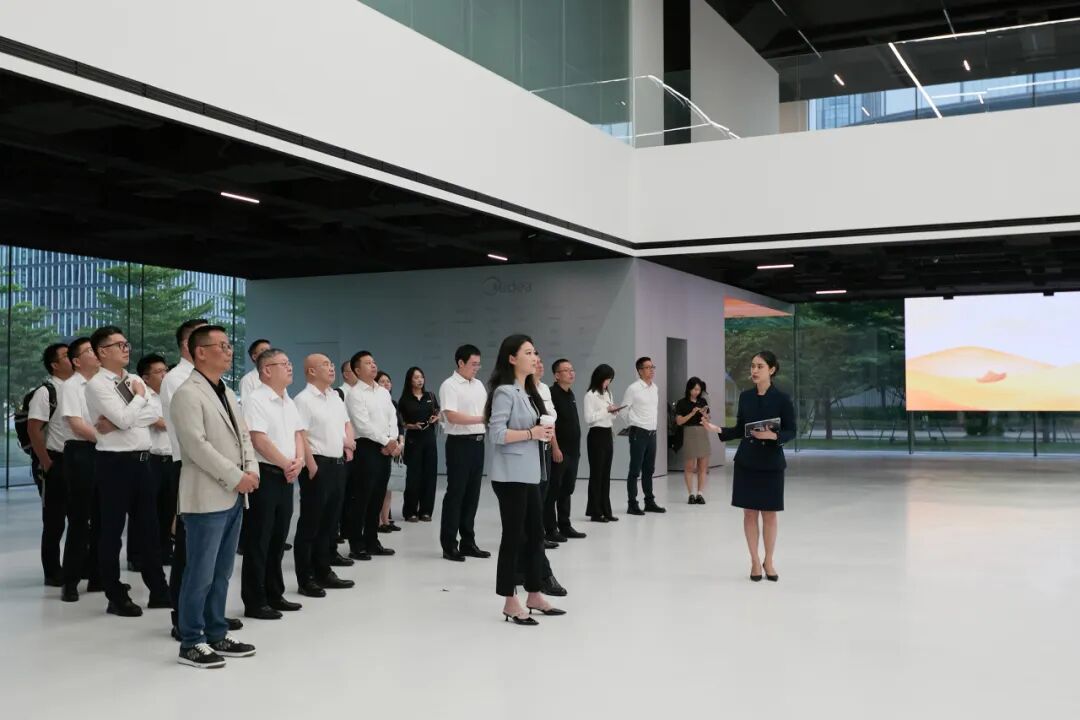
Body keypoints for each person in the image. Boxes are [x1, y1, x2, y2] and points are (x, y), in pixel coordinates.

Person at [171, 325, 258, 668]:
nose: (229, 350)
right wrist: (237, 477)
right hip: (207, 496)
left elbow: (243, 436)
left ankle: (216, 632)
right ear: (200, 352)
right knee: (200, 573)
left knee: (222, 572)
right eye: (221, 345)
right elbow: (197, 446)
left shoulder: (226, 392)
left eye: (229, 345)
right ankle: (191, 641)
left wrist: (251, 470)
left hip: (234, 495)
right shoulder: (187, 393)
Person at [84, 326, 170, 617]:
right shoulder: (97, 384)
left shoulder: (134, 380)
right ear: (102, 352)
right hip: (114, 464)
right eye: (118, 345)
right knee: (111, 531)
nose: (125, 349)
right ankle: (115, 594)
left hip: (143, 462)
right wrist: (139, 401)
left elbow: (151, 416)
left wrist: (123, 417)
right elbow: (125, 418)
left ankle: (159, 590)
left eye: (126, 344)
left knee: (150, 529)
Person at [485, 334, 564, 626]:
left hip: (530, 473)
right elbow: (497, 434)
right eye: (528, 353)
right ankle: (509, 600)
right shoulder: (504, 392)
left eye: (535, 352)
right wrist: (532, 433)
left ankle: (534, 594)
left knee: (534, 535)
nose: (534, 358)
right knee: (514, 537)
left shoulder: (527, 391)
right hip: (510, 476)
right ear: (511, 358)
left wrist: (542, 432)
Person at [704, 351, 795, 583]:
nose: (754, 370)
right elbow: (740, 429)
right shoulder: (745, 397)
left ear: (772, 369)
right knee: (749, 513)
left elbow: (791, 430)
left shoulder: (782, 399)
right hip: (747, 461)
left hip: (771, 463)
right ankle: (754, 560)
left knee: (770, 514)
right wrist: (717, 429)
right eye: (753, 366)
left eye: (760, 366)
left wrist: (773, 436)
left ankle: (769, 560)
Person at [242, 348, 305, 619]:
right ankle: (255, 601)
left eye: (290, 363)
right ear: (267, 370)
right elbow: (259, 439)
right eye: (284, 363)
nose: (290, 367)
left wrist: (299, 461)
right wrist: (286, 464)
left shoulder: (288, 400)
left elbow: (298, 434)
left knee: (279, 538)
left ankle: (274, 593)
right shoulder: (256, 399)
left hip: (286, 475)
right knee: (259, 539)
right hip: (266, 475)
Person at [292, 354, 356, 598]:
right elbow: (301, 435)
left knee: (329, 523)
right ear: (311, 371)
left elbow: (345, 424)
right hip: (317, 464)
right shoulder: (304, 400)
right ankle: (306, 578)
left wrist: (348, 444)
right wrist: (311, 465)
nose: (331, 368)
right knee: (311, 523)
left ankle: (323, 571)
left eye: (331, 364)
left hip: (337, 464)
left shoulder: (334, 397)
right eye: (325, 365)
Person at [26, 342, 74, 586]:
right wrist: (46, 462)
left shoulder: (79, 388)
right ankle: (53, 571)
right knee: (55, 520)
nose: (72, 358)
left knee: (80, 517)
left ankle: (78, 566)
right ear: (54, 365)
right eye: (66, 356)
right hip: (56, 460)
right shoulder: (46, 392)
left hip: (78, 460)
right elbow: (33, 429)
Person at [344, 352, 400, 558]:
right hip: (366, 448)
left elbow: (392, 417)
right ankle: (356, 544)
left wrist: (392, 440)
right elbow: (362, 425)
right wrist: (387, 442)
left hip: (385, 448)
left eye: (374, 362)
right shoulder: (355, 394)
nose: (373, 365)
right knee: (362, 498)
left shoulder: (383, 392)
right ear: (357, 370)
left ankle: (372, 540)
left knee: (378, 496)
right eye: (368, 363)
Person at [438, 344, 491, 562]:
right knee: (456, 494)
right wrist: (482, 419)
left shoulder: (478, 385)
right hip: (459, 444)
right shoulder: (449, 385)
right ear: (461, 363)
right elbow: (451, 416)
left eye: (479, 364)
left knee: (472, 495)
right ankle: (449, 544)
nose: (477, 368)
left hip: (478, 443)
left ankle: (468, 542)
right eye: (473, 364)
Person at [58, 337, 101, 602]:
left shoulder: (103, 384)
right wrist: (106, 438)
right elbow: (77, 424)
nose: (96, 354)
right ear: (76, 361)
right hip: (81, 452)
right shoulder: (72, 386)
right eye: (90, 351)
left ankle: (97, 576)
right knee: (79, 519)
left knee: (102, 518)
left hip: (104, 452)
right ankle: (70, 581)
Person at [128, 354, 172, 571]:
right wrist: (174, 423)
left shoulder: (171, 395)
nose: (164, 375)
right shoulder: (143, 397)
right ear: (145, 377)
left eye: (165, 370)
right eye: (159, 372)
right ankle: (136, 556)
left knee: (167, 509)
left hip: (170, 459)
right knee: (144, 511)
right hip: (150, 459)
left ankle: (163, 551)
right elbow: (159, 423)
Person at [620, 356, 666, 515]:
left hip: (652, 433)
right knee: (635, 470)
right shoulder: (633, 389)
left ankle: (649, 502)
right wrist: (633, 423)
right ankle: (632, 504)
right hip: (638, 432)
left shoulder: (655, 388)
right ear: (640, 371)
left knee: (649, 469)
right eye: (647, 367)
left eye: (652, 367)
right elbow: (623, 410)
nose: (651, 370)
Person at [546, 358, 585, 541]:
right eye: (566, 370)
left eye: (572, 369)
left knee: (567, 489)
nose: (571, 373)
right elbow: (550, 424)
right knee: (553, 490)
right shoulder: (552, 393)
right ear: (556, 375)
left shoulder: (570, 394)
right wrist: (555, 448)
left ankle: (565, 525)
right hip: (559, 450)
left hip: (573, 451)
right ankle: (550, 529)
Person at [398, 367, 439, 523]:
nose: (420, 380)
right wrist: (412, 426)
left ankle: (426, 511)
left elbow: (438, 412)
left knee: (429, 475)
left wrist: (437, 417)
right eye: (416, 377)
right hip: (413, 440)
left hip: (429, 439)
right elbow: (400, 422)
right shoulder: (405, 400)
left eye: (421, 377)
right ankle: (410, 511)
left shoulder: (430, 396)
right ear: (410, 380)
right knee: (413, 476)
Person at [583, 364, 619, 523]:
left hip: (607, 433)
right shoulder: (590, 395)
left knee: (606, 474)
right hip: (596, 435)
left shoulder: (607, 394)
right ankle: (595, 512)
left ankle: (606, 510)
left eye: (610, 380)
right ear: (599, 378)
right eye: (606, 379)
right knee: (597, 474)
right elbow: (589, 418)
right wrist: (606, 411)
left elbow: (609, 416)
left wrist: (614, 412)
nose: (608, 383)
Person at [532, 355, 558, 550]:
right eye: (536, 362)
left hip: (546, 445)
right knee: (535, 494)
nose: (540, 365)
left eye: (541, 362)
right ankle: (533, 536)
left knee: (544, 491)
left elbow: (551, 419)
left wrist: (554, 444)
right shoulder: (524, 389)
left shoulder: (544, 389)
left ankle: (539, 535)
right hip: (533, 446)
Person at [675, 377, 711, 505]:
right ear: (689, 389)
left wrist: (705, 415)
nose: (697, 392)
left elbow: (708, 420)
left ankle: (700, 494)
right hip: (689, 433)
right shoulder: (682, 403)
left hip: (702, 433)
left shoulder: (703, 401)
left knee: (702, 466)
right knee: (689, 466)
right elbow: (679, 421)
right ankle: (691, 494)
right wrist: (692, 413)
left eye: (699, 390)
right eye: (695, 389)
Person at [375, 370, 403, 533]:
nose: (386, 384)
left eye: (388, 381)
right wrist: (388, 444)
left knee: (389, 488)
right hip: (381, 448)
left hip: (394, 447)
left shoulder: (393, 403)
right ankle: (377, 521)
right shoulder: (375, 402)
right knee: (379, 488)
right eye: (382, 381)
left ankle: (386, 520)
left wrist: (400, 444)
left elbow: (399, 426)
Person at [238, 338, 271, 403]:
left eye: (269, 351)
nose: (268, 353)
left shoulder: (277, 377)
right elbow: (247, 406)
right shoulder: (247, 380)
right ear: (254, 357)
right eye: (263, 350)